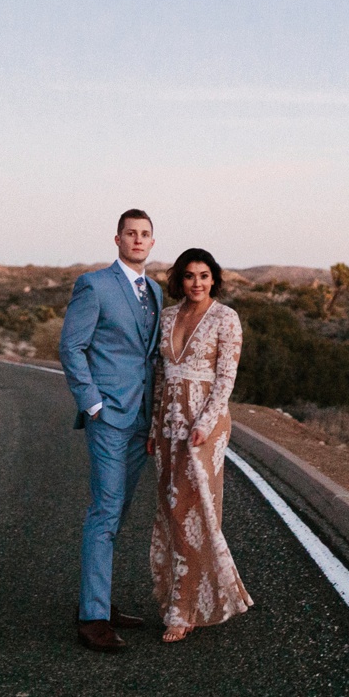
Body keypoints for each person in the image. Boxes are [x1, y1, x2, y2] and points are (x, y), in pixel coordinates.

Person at [60, 209, 164, 653]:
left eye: (145, 235)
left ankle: (97, 599)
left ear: (152, 242)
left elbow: (151, 357)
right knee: (104, 512)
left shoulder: (155, 290)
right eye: (131, 234)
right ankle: (92, 619)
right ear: (117, 239)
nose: (138, 240)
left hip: (141, 420)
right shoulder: (94, 285)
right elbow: (71, 345)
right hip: (109, 418)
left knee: (117, 514)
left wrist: (157, 416)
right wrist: (93, 402)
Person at [147, 247, 253, 642]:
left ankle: (185, 608)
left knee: (194, 508)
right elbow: (160, 376)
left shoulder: (226, 318)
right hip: (169, 422)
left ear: (214, 279)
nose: (197, 283)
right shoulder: (168, 317)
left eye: (204, 276)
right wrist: (153, 427)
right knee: (172, 510)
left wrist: (204, 424)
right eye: (190, 276)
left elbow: (225, 379)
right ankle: (189, 594)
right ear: (180, 279)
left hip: (204, 425)